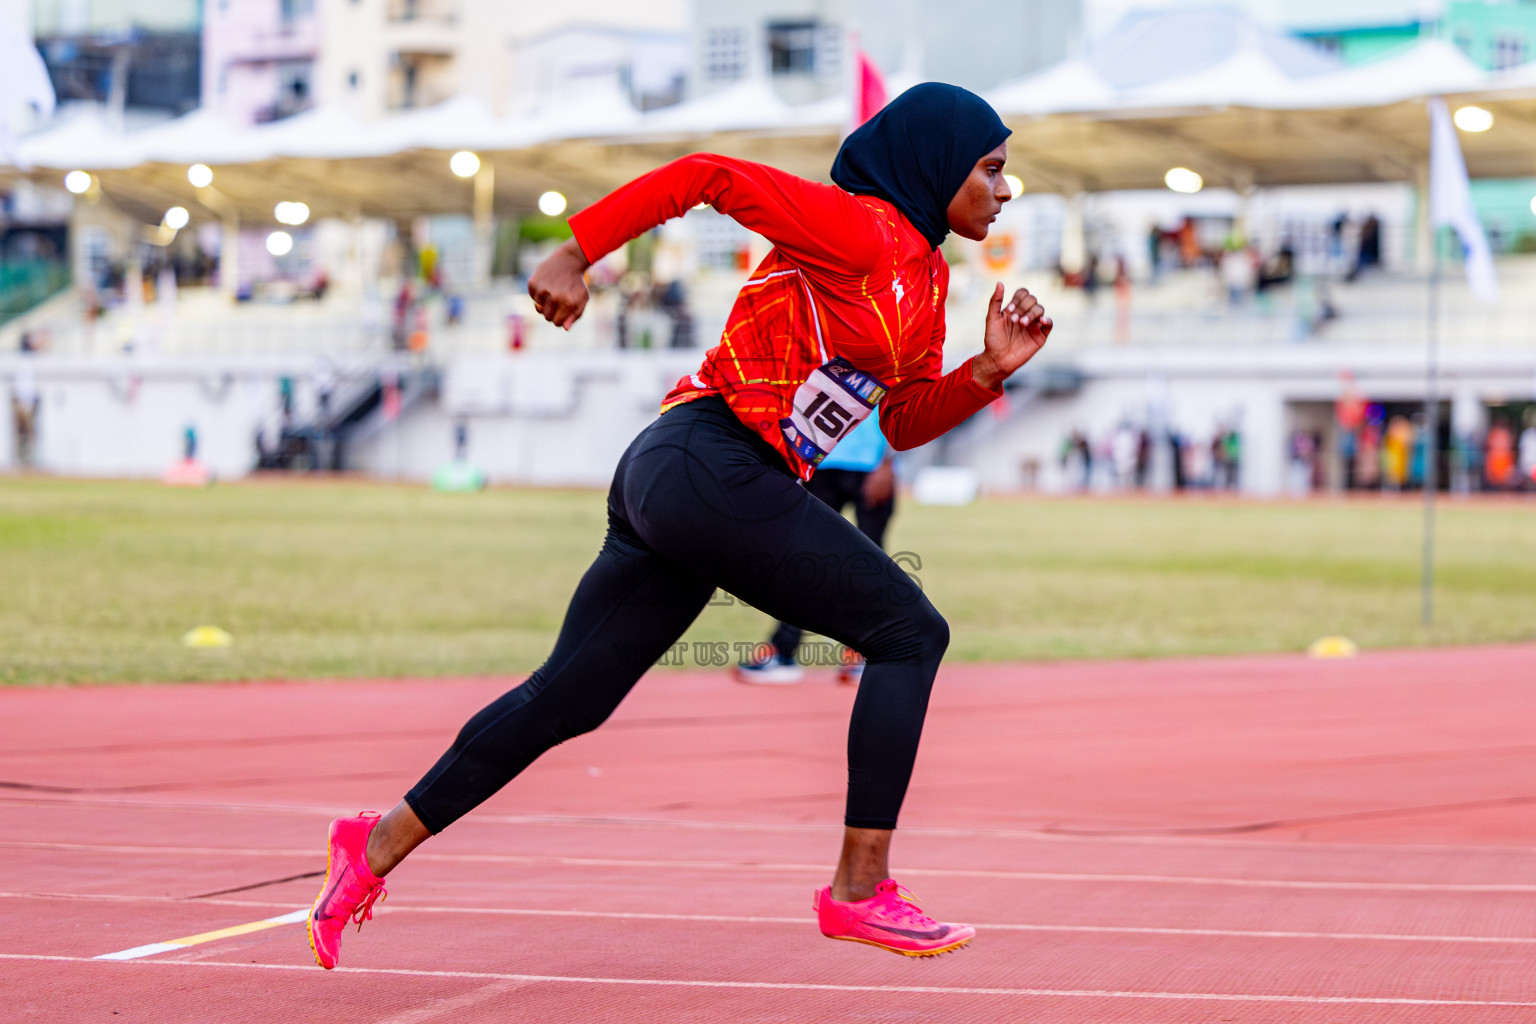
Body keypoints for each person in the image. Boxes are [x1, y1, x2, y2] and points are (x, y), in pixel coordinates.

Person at [306, 83, 1052, 968]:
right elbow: (707, 174)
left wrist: (985, 373)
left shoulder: (924, 281)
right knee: (908, 631)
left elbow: (895, 421)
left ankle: (375, 844)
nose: (1005, 192)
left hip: (698, 478)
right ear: (936, 163)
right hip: (708, 457)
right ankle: (860, 888)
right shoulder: (858, 228)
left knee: (569, 699)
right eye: (992, 169)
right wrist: (574, 253)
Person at [734, 411, 896, 685]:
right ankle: (783, 650)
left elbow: (904, 403)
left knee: (870, 564)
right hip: (820, 463)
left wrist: (889, 464)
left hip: (873, 464)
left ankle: (865, 652)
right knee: (803, 559)